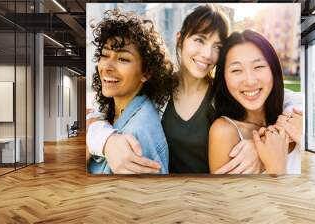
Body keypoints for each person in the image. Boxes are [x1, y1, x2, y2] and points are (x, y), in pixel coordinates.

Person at [87, 4, 302, 174]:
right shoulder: (156, 88)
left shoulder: (224, 91)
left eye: (217, 47)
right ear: (180, 39)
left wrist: (260, 145)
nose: (207, 54)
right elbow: (97, 115)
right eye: (199, 40)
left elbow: (283, 99)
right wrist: (107, 141)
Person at [86, 9, 177, 174]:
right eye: (105, 55)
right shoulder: (113, 110)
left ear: (146, 72)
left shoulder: (138, 134)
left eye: (123, 59)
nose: (107, 67)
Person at [209, 30, 302, 175]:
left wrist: (260, 144)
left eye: (258, 67)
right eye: (236, 70)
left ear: (273, 69)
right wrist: (276, 169)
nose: (250, 81)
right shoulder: (224, 131)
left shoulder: (293, 114)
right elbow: (224, 196)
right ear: (224, 78)